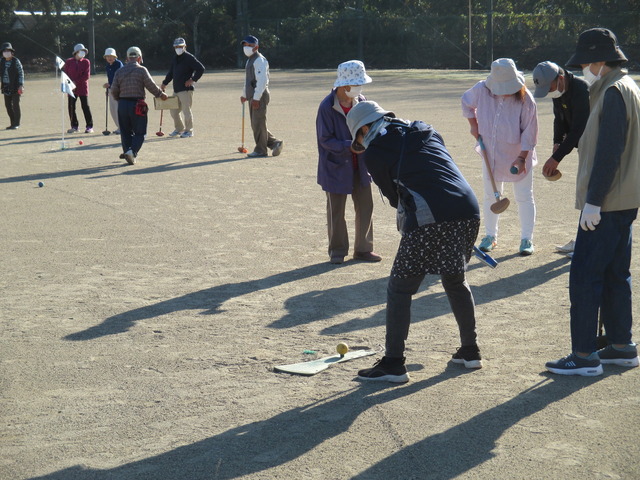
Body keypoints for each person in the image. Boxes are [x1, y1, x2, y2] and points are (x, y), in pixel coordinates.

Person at [345, 101, 482, 383]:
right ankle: (470, 351)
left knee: (399, 289)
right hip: (468, 209)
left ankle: (394, 363)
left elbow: (396, 198)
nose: (361, 143)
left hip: (432, 216)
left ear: (366, 129)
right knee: (455, 280)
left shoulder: (375, 153)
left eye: (358, 137)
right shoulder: (424, 129)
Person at [546, 28, 640, 376]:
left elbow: (610, 151)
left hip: (608, 201)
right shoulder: (623, 86)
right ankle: (620, 345)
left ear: (601, 60)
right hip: (623, 199)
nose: (583, 68)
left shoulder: (613, 91)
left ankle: (584, 355)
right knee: (616, 274)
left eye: (586, 62)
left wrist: (594, 201)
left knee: (585, 276)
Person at [461, 58, 538, 256]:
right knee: (490, 196)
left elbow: (530, 132)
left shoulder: (526, 98)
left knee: (524, 196)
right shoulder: (481, 89)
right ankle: (490, 236)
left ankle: (526, 239)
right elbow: (466, 102)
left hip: (518, 153)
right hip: (490, 151)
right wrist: (473, 125)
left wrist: (521, 158)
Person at [316, 60, 381, 265]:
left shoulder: (361, 101)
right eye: (357, 83)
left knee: (365, 206)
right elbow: (325, 140)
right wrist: (349, 146)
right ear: (345, 86)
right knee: (336, 211)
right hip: (335, 166)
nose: (361, 88)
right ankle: (337, 250)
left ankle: (363, 249)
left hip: (360, 166)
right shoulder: (327, 107)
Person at [532, 60, 590, 256]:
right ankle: (584, 239)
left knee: (591, 192)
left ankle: (587, 243)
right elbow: (559, 117)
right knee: (584, 191)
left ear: (561, 78)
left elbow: (578, 130)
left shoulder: (582, 90)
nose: (550, 93)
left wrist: (556, 158)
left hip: (594, 145)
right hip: (582, 145)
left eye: (550, 88)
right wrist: (557, 142)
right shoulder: (559, 89)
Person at [110, 47, 167, 165]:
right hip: (137, 104)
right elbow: (151, 86)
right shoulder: (142, 70)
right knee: (140, 132)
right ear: (139, 58)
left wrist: (119, 100)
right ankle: (132, 151)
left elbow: (114, 90)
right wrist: (161, 94)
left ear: (127, 58)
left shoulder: (119, 71)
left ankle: (127, 152)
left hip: (122, 104)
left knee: (125, 131)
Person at [240, 35, 283, 158]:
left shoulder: (259, 60)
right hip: (252, 95)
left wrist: (256, 98)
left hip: (259, 95)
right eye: (245, 45)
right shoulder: (250, 60)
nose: (246, 47)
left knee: (258, 122)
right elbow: (247, 80)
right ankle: (275, 143)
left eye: (249, 45)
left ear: (256, 47)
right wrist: (244, 94)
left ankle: (260, 150)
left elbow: (262, 80)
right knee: (256, 124)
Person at [160, 37, 204, 138]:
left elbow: (201, 68)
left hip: (186, 90)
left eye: (180, 46)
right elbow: (171, 73)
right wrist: (164, 83)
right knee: (173, 111)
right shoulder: (175, 58)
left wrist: (192, 80)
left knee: (186, 111)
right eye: (176, 47)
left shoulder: (189, 57)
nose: (178, 48)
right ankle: (179, 129)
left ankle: (189, 131)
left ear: (185, 47)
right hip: (176, 89)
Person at [63, 43, 93, 133]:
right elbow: (66, 74)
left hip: (83, 88)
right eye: (81, 51)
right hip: (71, 89)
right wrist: (70, 84)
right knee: (71, 107)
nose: (83, 53)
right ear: (76, 52)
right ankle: (74, 126)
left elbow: (86, 76)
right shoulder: (69, 61)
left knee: (85, 106)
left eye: (84, 51)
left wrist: (76, 82)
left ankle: (89, 126)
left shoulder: (86, 62)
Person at [1, 42, 24, 130]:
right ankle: (12, 122)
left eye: (8, 51)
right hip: (6, 86)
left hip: (15, 86)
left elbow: (21, 73)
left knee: (15, 105)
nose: (6, 52)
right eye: (4, 51)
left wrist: (21, 85)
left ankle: (16, 123)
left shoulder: (16, 61)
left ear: (12, 52)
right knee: (8, 106)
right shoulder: (1, 61)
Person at [103, 48, 123, 135]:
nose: (109, 58)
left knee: (118, 109)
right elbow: (110, 78)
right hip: (111, 89)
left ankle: (122, 127)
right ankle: (119, 126)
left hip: (119, 89)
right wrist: (108, 88)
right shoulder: (108, 66)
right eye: (108, 56)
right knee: (112, 109)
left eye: (111, 56)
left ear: (115, 57)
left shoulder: (118, 64)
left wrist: (110, 85)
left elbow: (119, 78)